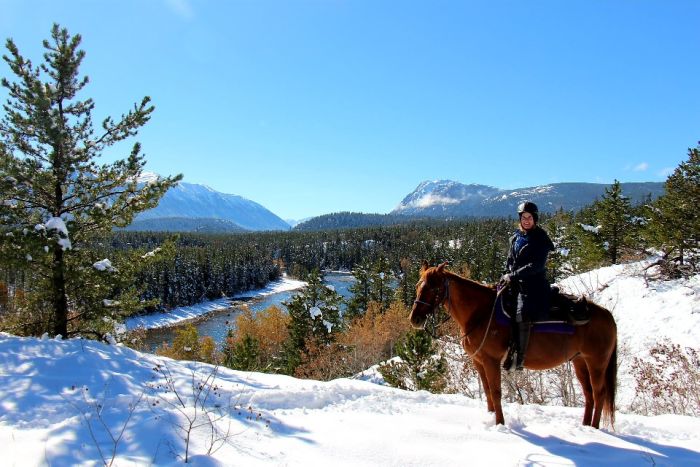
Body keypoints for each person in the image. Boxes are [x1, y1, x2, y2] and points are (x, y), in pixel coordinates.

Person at [500, 201, 554, 371]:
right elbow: (510, 259)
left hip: (533, 285)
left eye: (529, 217)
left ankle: (519, 358)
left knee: (521, 314)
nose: (526, 220)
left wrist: (513, 275)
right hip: (514, 282)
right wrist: (506, 273)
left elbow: (535, 265)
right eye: (524, 217)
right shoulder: (516, 237)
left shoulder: (541, 239)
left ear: (535, 218)